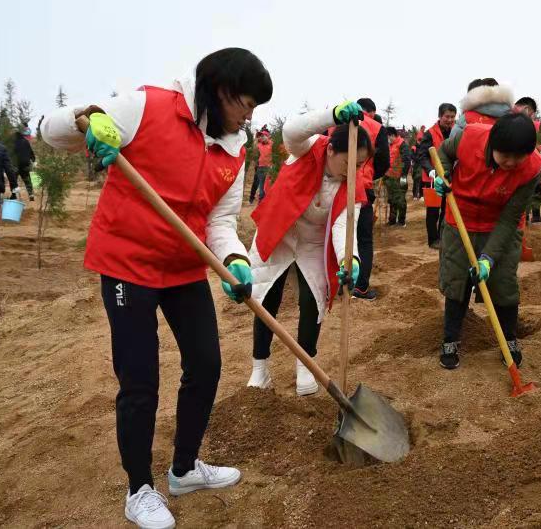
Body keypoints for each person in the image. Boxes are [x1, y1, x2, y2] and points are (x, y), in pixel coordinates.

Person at [41, 48, 272, 529]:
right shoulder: (149, 106)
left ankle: (185, 469)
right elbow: (51, 129)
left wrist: (235, 259)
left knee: (206, 363)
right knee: (141, 378)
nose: (250, 116)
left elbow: (221, 219)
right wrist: (86, 119)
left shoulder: (235, 146)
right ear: (221, 90)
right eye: (246, 103)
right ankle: (138, 489)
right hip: (128, 262)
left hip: (184, 266)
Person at [245, 102, 370, 393]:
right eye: (347, 162)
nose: (352, 170)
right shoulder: (307, 148)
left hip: (314, 242)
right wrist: (332, 115)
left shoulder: (353, 188)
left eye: (360, 164)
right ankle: (259, 369)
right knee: (265, 299)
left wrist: (348, 260)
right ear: (330, 150)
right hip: (280, 232)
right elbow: (290, 130)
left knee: (312, 301)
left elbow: (343, 227)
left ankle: (305, 365)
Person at [434, 113, 541, 369]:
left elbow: (510, 218)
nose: (511, 163)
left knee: (503, 284)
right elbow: (443, 151)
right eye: (505, 156)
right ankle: (450, 340)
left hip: (499, 223)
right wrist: (443, 175)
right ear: (492, 144)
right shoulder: (469, 137)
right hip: (460, 220)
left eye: (519, 158)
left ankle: (508, 339)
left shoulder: (534, 167)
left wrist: (489, 258)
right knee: (457, 281)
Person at [351, 97, 389, 301]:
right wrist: (368, 174)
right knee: (363, 239)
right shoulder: (376, 127)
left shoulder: (337, 121)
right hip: (362, 189)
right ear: (372, 112)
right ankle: (361, 287)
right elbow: (384, 162)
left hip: (335, 186)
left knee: (339, 235)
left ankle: (337, 283)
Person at [416, 103, 457, 248]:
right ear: (440, 116)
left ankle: (442, 237)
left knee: (447, 210)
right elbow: (422, 155)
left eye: (453, 117)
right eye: (447, 116)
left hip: (449, 177)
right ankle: (433, 240)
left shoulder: (456, 132)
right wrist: (430, 171)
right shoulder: (430, 133)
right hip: (432, 179)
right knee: (433, 211)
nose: (450, 120)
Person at [385, 126, 411, 226]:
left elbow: (407, 160)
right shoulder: (390, 146)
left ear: (392, 135)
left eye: (388, 137)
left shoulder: (402, 144)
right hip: (390, 177)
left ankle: (401, 221)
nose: (387, 140)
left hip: (400, 177)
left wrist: (403, 176)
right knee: (391, 199)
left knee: (400, 200)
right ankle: (392, 220)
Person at [13, 128, 36, 201]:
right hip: (25, 164)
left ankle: (14, 195)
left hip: (16, 164)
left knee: (14, 180)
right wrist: (33, 160)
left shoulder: (12, 142)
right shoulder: (25, 141)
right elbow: (30, 152)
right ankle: (31, 194)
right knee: (27, 179)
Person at [249, 130, 272, 204]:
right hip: (260, 167)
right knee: (260, 185)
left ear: (268, 136)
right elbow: (254, 150)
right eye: (260, 136)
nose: (261, 137)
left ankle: (265, 201)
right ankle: (259, 201)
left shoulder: (271, 144)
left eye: (263, 136)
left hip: (269, 168)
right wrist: (256, 139)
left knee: (267, 185)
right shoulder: (259, 144)